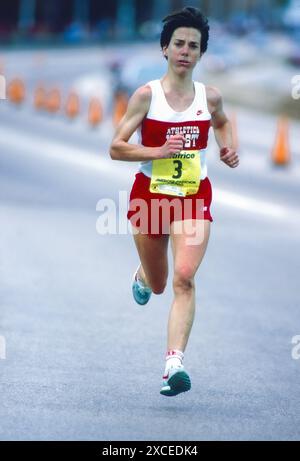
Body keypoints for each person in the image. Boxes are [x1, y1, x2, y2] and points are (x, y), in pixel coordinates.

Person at [110, 6, 239, 397]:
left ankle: (173, 364)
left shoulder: (209, 97)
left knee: (184, 277)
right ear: (164, 49)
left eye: (194, 46)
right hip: (149, 197)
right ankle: (143, 276)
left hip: (193, 198)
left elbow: (221, 122)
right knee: (161, 283)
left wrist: (227, 148)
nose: (185, 51)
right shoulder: (146, 96)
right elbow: (116, 148)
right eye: (179, 43)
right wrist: (158, 150)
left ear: (201, 54)